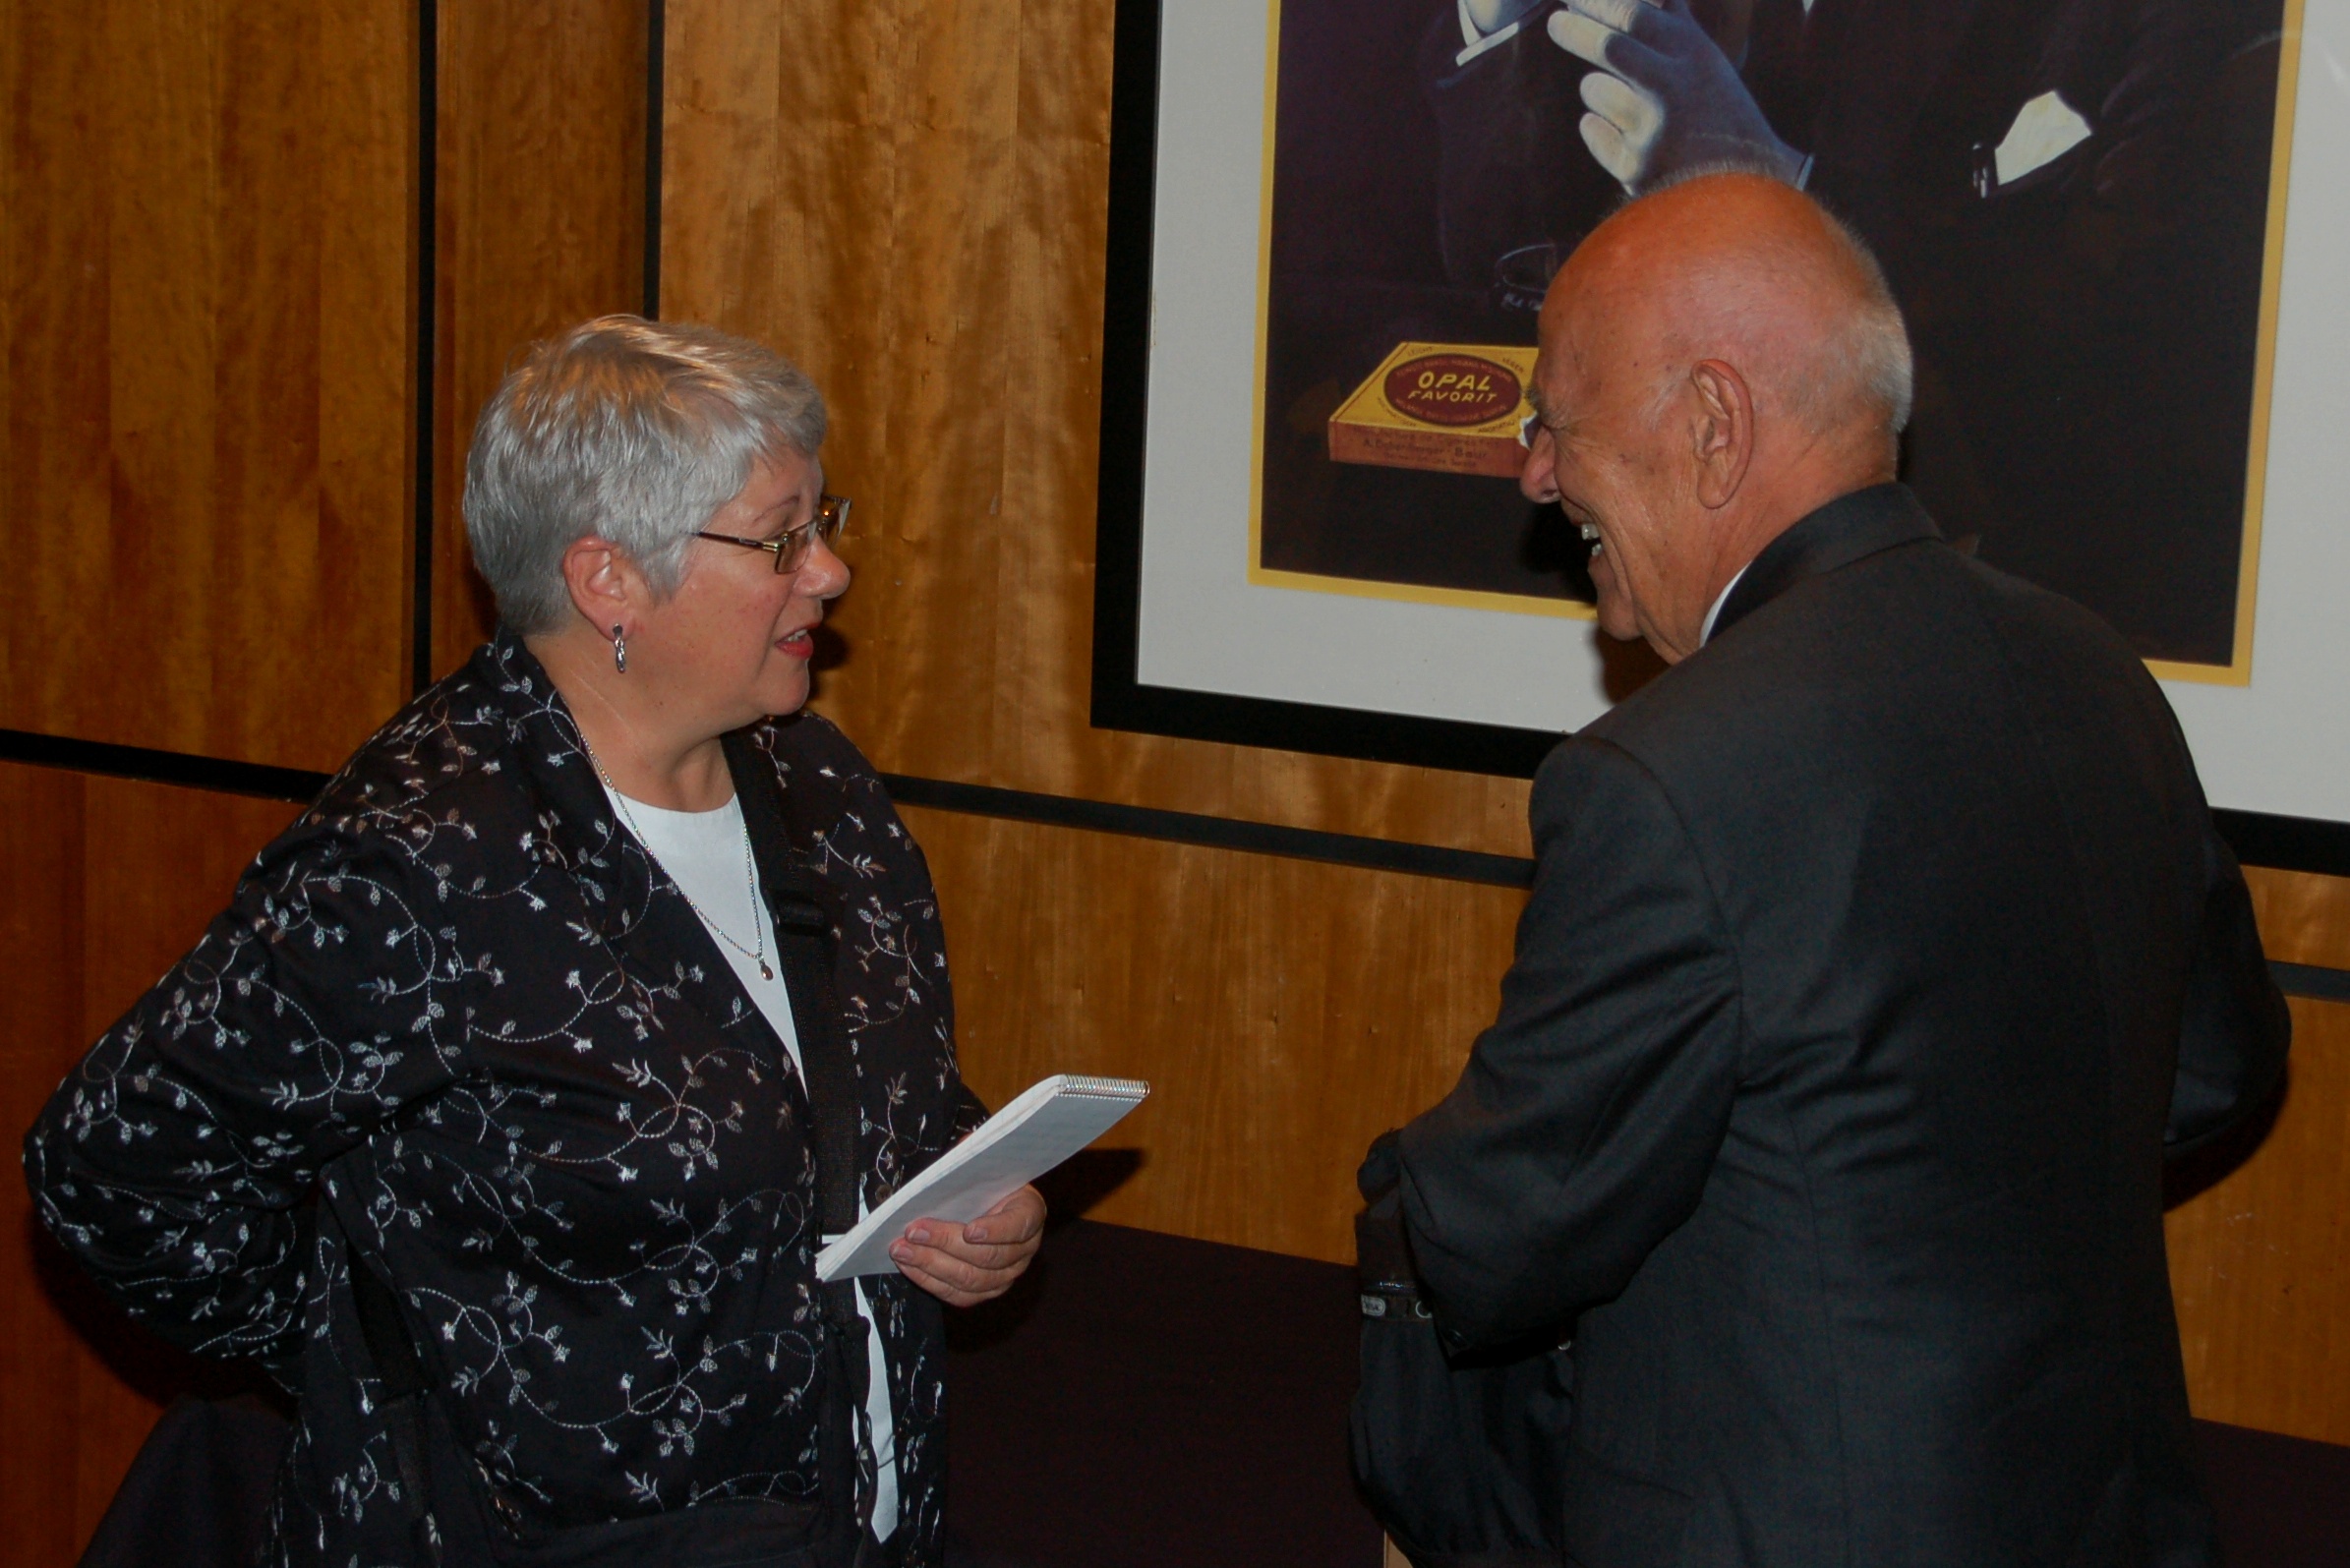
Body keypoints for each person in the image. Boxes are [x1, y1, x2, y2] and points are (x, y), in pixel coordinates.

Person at [24, 317, 1044, 1568]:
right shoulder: (422, 861)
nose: (828, 571)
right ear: (608, 578)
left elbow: (851, 1090)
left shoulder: (820, 789)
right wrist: (351, 1345)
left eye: (821, 520)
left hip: (850, 1525)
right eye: (780, 537)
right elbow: (114, 1161)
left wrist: (970, 1199)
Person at [1375, 172, 2289, 1564]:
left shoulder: (1665, 776)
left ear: (1712, 424)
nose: (1535, 473)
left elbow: (1502, 1231)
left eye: (1555, 419)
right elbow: (2218, 1065)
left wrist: (1402, 1189)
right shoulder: (2095, 673)